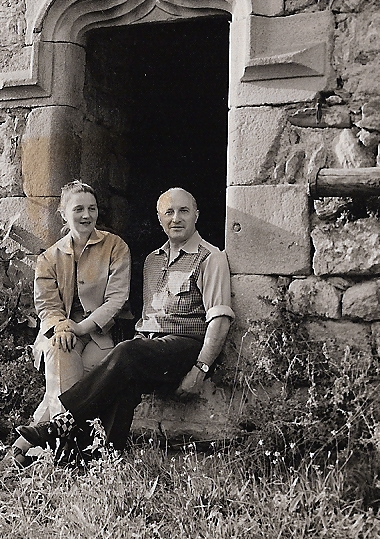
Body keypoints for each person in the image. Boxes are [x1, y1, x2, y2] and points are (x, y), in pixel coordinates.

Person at [17, 187, 234, 455]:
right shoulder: (153, 260)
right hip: (150, 346)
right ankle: (100, 458)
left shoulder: (210, 257)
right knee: (124, 384)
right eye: (169, 212)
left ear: (196, 215)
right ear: (159, 219)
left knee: (127, 351)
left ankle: (59, 425)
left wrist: (200, 370)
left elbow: (220, 320)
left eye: (183, 211)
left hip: (184, 345)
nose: (176, 218)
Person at [6, 180, 131, 467]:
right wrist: (62, 327)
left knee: (69, 388)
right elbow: (47, 306)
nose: (86, 215)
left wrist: (81, 327)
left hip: (98, 335)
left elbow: (116, 300)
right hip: (60, 334)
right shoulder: (49, 257)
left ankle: (27, 448)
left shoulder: (115, 247)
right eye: (78, 209)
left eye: (92, 208)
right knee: (59, 355)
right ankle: (64, 454)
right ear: (63, 214)